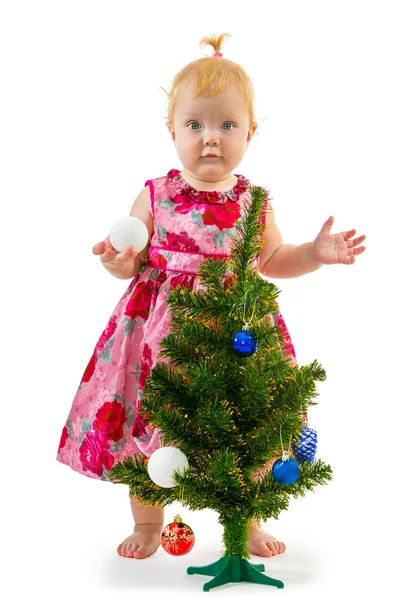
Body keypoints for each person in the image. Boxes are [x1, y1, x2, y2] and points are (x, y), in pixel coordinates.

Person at [56, 33, 366, 562]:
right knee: (153, 418)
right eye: (195, 125)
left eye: (227, 125)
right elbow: (132, 256)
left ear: (251, 132)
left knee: (244, 424)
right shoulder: (156, 193)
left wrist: (314, 254)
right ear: (172, 130)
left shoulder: (255, 200)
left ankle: (246, 520)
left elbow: (271, 260)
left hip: (236, 334)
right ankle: (149, 522)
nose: (210, 139)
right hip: (162, 336)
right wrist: (117, 260)